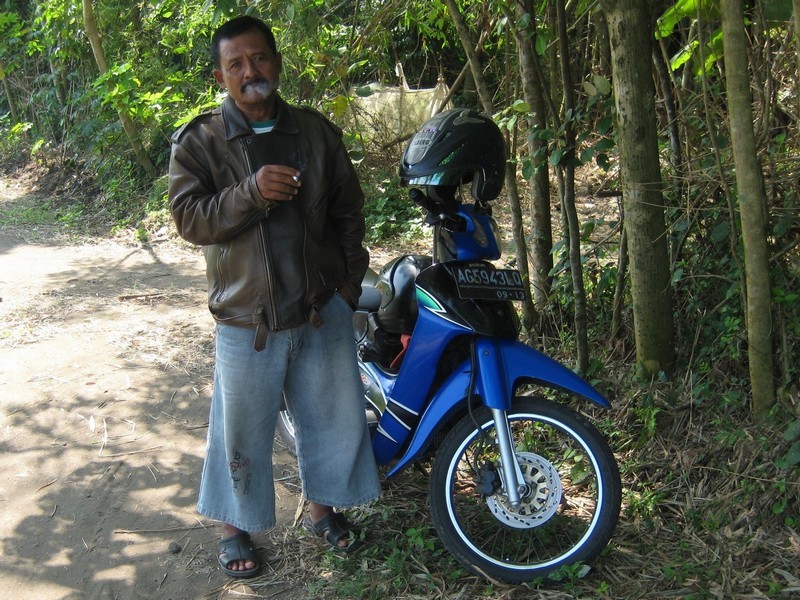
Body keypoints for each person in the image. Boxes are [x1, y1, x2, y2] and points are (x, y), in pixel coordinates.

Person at [168, 15, 381, 578]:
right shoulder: (202, 141)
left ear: (277, 63)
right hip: (248, 320)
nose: (250, 72)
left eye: (258, 58)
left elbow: (348, 212)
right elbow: (189, 219)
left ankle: (322, 511)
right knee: (239, 428)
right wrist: (249, 193)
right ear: (220, 75)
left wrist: (346, 285)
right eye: (235, 64)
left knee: (331, 417)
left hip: (319, 309)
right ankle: (232, 527)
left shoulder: (315, 133)